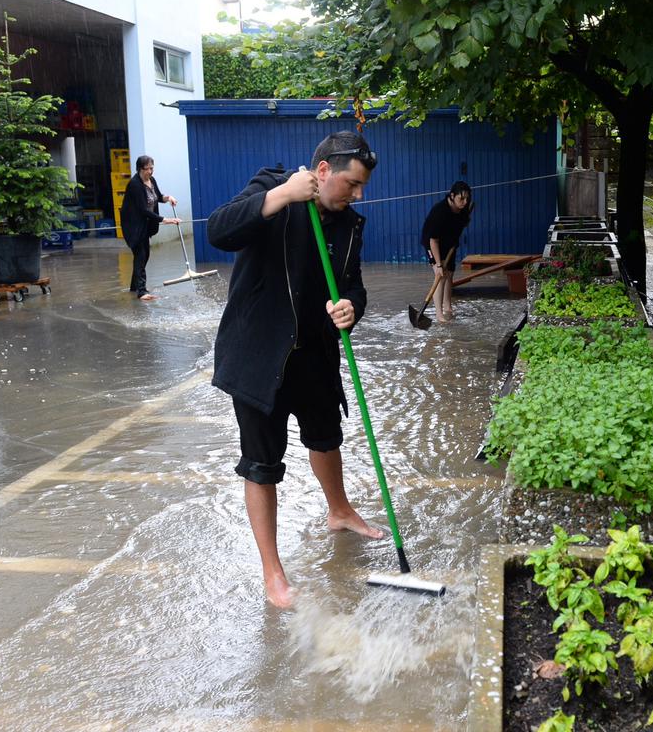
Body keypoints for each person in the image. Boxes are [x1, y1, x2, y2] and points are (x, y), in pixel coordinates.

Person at [207, 131, 383, 609]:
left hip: (315, 352)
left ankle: (340, 511)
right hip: (261, 355)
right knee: (262, 463)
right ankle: (273, 575)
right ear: (323, 171)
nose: (358, 194)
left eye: (362, 186)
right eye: (352, 183)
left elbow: (354, 285)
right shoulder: (272, 188)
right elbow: (219, 231)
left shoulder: (349, 224)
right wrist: (282, 194)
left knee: (326, 436)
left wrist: (351, 307)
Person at [120, 155, 181, 301]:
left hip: (146, 226)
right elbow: (143, 210)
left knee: (144, 256)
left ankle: (134, 287)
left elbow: (158, 197)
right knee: (141, 255)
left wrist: (168, 198)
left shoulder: (152, 180)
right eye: (147, 169)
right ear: (140, 169)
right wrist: (165, 220)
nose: (150, 172)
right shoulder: (134, 185)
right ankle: (142, 292)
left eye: (152, 168)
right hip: (134, 226)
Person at [419, 181, 473, 322]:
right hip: (433, 242)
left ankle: (448, 308)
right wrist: (438, 264)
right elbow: (433, 240)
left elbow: (463, 223)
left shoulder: (464, 209)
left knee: (449, 274)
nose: (465, 202)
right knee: (441, 275)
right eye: (461, 199)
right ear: (452, 196)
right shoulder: (440, 211)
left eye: (467, 199)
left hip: (450, 243)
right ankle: (439, 314)